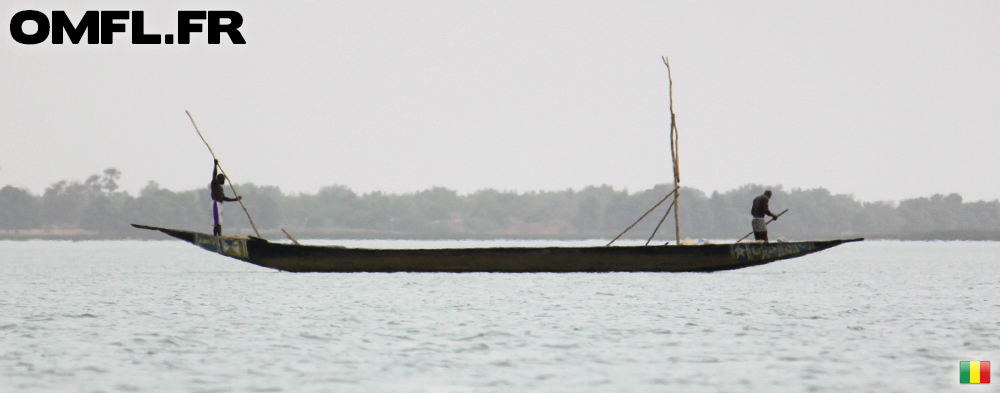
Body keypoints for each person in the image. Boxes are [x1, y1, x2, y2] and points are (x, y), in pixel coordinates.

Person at [210, 159, 241, 236]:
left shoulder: (220, 188)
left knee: (219, 222)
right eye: (223, 179)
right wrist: (215, 165)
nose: (224, 180)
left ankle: (218, 236)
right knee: (217, 223)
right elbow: (214, 175)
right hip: (215, 204)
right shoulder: (215, 184)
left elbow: (224, 198)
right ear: (219, 179)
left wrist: (235, 199)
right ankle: (217, 236)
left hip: (219, 205)